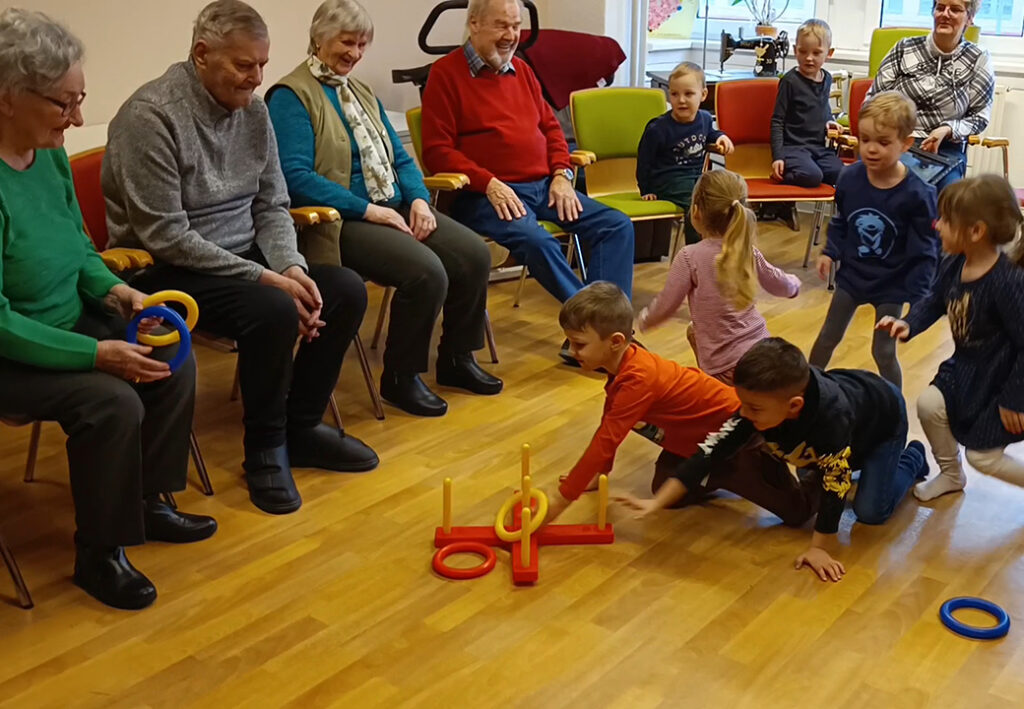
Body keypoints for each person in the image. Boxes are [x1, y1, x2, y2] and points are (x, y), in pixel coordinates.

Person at [102, 0, 378, 516]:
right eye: (244, 66)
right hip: (170, 266)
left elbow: (271, 202)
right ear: (202, 54)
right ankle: (264, 449)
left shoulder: (253, 111)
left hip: (243, 254)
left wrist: (291, 267)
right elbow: (165, 235)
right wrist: (266, 279)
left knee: (342, 290)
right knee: (272, 310)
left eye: (262, 66)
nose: (256, 80)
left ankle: (302, 428)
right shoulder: (150, 116)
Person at [0, 8, 216, 610]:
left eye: (80, 100)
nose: (75, 118)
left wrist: (115, 291)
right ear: (8, 97)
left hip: (65, 321)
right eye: (63, 104)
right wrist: (96, 352)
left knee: (167, 351)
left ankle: (147, 501)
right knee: (112, 400)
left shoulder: (44, 155)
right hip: (10, 348)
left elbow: (78, 247)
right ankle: (101, 552)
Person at [266, 0, 500, 418]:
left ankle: (456, 359)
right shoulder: (291, 95)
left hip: (393, 206)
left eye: (361, 45)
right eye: (346, 42)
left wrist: (417, 201)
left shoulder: (360, 91)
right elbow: (295, 177)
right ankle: (401, 377)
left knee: (473, 254)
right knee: (425, 272)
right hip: (340, 221)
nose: (354, 54)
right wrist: (368, 210)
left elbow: (402, 160)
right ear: (318, 39)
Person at [420, 0, 635, 362]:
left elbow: (552, 131)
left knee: (616, 225)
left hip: (544, 188)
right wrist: (488, 181)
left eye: (516, 26)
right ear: (473, 24)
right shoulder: (445, 74)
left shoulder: (522, 70)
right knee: (539, 242)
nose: (511, 36)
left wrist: (562, 176)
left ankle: (595, 334)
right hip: (487, 196)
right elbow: (437, 152)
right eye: (502, 26)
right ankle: (597, 333)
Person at [618, 338, 928, 583]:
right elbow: (709, 452)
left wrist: (819, 548)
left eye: (752, 408)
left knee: (870, 511)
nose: (743, 414)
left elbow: (836, 483)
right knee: (818, 466)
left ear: (794, 405)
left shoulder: (830, 418)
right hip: (844, 422)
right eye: (743, 404)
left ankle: (911, 457)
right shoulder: (757, 409)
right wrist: (657, 502)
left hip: (883, 422)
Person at [542, 283, 818, 530]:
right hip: (697, 440)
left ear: (615, 342)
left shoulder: (639, 379)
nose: (572, 352)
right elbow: (610, 420)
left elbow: (606, 439)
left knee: (797, 513)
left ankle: (811, 469)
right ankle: (713, 472)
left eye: (579, 344)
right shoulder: (622, 363)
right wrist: (600, 473)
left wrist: (558, 503)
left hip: (739, 436)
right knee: (664, 491)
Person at [877, 175, 1024, 502]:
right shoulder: (955, 262)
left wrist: (1015, 399)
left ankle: (963, 467)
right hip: (965, 368)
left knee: (982, 456)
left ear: (976, 231)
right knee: (928, 405)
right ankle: (950, 474)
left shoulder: (1007, 282)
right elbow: (935, 299)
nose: (936, 225)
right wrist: (908, 324)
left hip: (1002, 380)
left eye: (945, 220)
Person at [808, 92, 940, 388]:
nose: (871, 149)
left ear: (906, 144)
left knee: (882, 351)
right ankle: (805, 390)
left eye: (883, 142)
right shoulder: (850, 178)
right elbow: (842, 220)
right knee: (828, 337)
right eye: (865, 139)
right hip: (853, 276)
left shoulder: (919, 194)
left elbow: (925, 250)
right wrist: (830, 252)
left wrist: (918, 300)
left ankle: (895, 409)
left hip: (892, 284)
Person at [638, 170, 800, 385]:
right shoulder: (747, 251)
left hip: (725, 368)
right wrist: (794, 285)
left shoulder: (689, 257)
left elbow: (668, 303)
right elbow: (779, 283)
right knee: (693, 331)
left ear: (696, 211)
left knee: (694, 333)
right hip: (762, 352)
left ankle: (715, 392)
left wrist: (646, 319)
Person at [868, 0, 995, 192]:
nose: (945, 14)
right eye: (940, 7)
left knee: (949, 196)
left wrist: (947, 129)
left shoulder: (979, 58)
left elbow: (980, 115)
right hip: (897, 143)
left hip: (945, 150)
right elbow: (873, 100)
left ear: (969, 18)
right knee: (892, 189)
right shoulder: (904, 48)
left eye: (955, 9)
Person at [636, 62, 734, 245]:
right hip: (668, 181)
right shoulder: (658, 128)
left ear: (703, 95)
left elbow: (710, 134)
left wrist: (721, 136)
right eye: (674, 94)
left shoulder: (704, 118)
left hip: (697, 178)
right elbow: (644, 160)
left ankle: (722, 248)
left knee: (724, 195)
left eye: (688, 94)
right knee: (696, 205)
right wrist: (646, 189)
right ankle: (695, 253)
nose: (681, 100)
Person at [769, 19, 843, 189]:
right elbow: (777, 121)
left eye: (817, 53)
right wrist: (778, 157)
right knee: (812, 176)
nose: (809, 58)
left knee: (842, 174)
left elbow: (822, 107)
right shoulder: (789, 81)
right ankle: (783, 180)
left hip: (819, 148)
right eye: (803, 51)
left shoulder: (827, 79)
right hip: (794, 148)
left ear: (829, 53)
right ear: (795, 50)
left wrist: (830, 120)